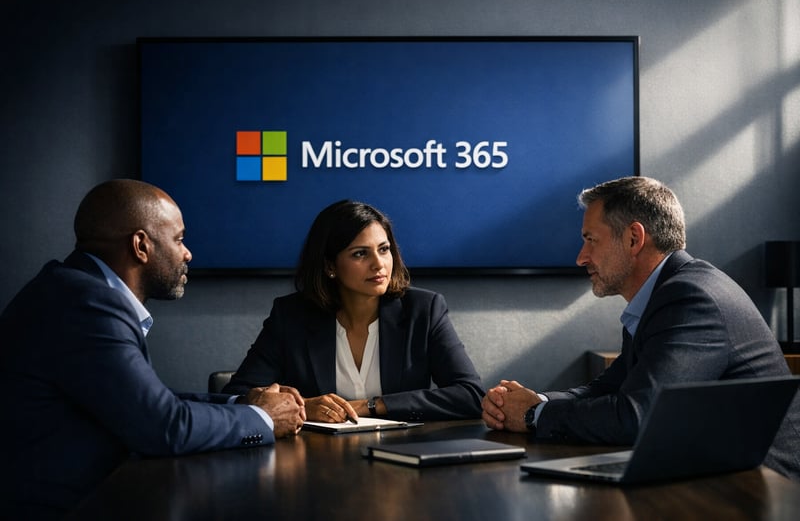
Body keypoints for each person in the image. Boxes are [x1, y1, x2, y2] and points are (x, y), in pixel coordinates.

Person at [0, 179, 306, 519]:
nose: (187, 253)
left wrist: (243, 403)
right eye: (179, 239)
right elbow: (163, 426)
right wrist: (264, 417)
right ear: (141, 246)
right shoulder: (87, 303)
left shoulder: (72, 289)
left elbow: (149, 401)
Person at [481, 176, 800, 480]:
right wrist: (533, 402)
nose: (581, 258)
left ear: (634, 238)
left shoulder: (690, 297)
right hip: (715, 471)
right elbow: (608, 389)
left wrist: (532, 416)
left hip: (763, 488)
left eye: (591, 240)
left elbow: (639, 415)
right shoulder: (663, 295)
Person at [223, 199, 485, 422]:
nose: (378, 264)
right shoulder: (291, 316)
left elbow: (471, 395)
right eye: (360, 254)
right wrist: (304, 407)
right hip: (317, 458)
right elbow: (236, 396)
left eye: (384, 249)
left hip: (402, 456)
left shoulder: (424, 310)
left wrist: (371, 405)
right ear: (330, 266)